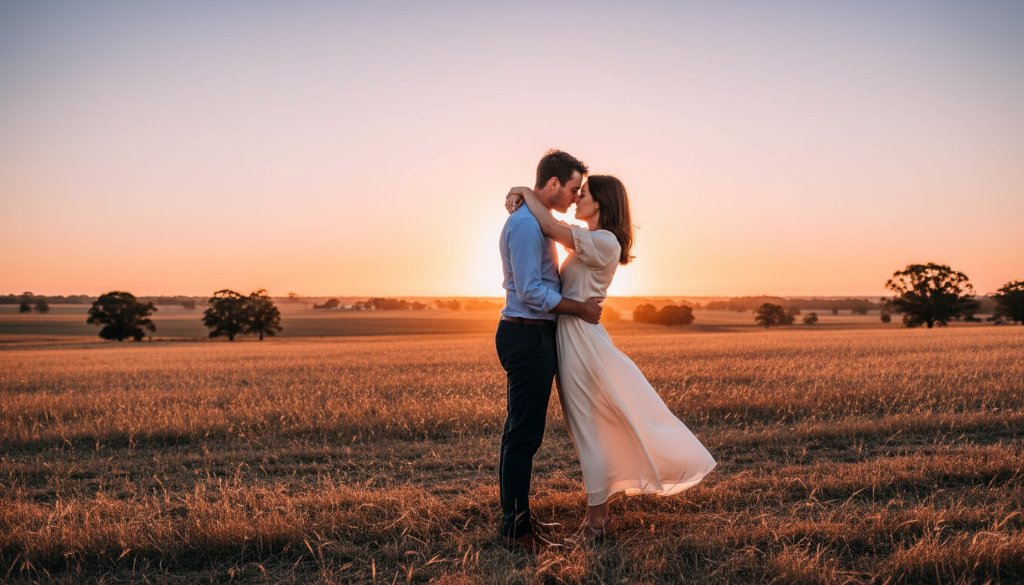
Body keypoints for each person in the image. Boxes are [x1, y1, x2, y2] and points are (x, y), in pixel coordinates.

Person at [506, 175, 716, 540]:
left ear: (601, 202)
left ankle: (596, 523)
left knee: (588, 430)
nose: (576, 200)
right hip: (572, 338)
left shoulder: (605, 242)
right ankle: (599, 517)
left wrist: (523, 191)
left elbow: (549, 225)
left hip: (582, 342)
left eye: (583, 194)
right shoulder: (592, 241)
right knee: (589, 428)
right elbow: (555, 227)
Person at [495, 150, 604, 551]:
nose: (576, 197)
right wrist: (580, 308)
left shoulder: (537, 220)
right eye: (574, 188)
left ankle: (520, 519)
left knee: (522, 433)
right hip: (526, 334)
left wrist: (520, 190)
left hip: (534, 334)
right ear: (554, 183)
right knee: (523, 435)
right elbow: (531, 291)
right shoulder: (525, 226)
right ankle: (516, 530)